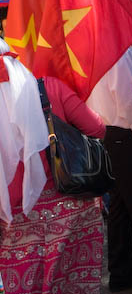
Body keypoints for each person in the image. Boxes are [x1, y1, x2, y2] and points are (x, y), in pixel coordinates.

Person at [1, 38, 106, 293]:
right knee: (74, 284)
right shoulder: (49, 88)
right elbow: (97, 128)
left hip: (14, 219)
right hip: (71, 202)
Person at [85, 0, 132, 294]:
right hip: (125, 137)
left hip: (110, 135)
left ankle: (122, 272)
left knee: (119, 210)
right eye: (131, 6)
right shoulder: (115, 50)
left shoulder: (103, 44)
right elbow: (130, 105)